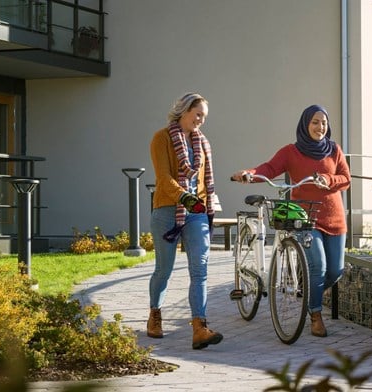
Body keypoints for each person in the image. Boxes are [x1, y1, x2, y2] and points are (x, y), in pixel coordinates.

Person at [231, 104, 351, 337]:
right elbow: (269, 168)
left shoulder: (334, 149)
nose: (320, 127)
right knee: (319, 266)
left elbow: (346, 179)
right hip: (305, 217)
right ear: (305, 124)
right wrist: (249, 174)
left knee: (335, 271)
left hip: (335, 217)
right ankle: (315, 315)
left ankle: (307, 294)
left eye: (324, 122)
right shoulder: (291, 152)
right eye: (315, 122)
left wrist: (328, 179)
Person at [147, 92, 223, 350]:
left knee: (200, 269)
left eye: (204, 116)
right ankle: (155, 314)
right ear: (184, 110)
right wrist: (184, 196)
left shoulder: (203, 143)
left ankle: (200, 327)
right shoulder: (162, 138)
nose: (201, 120)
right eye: (197, 114)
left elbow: (203, 182)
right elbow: (164, 178)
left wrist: (204, 202)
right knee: (164, 270)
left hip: (197, 211)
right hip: (168, 209)